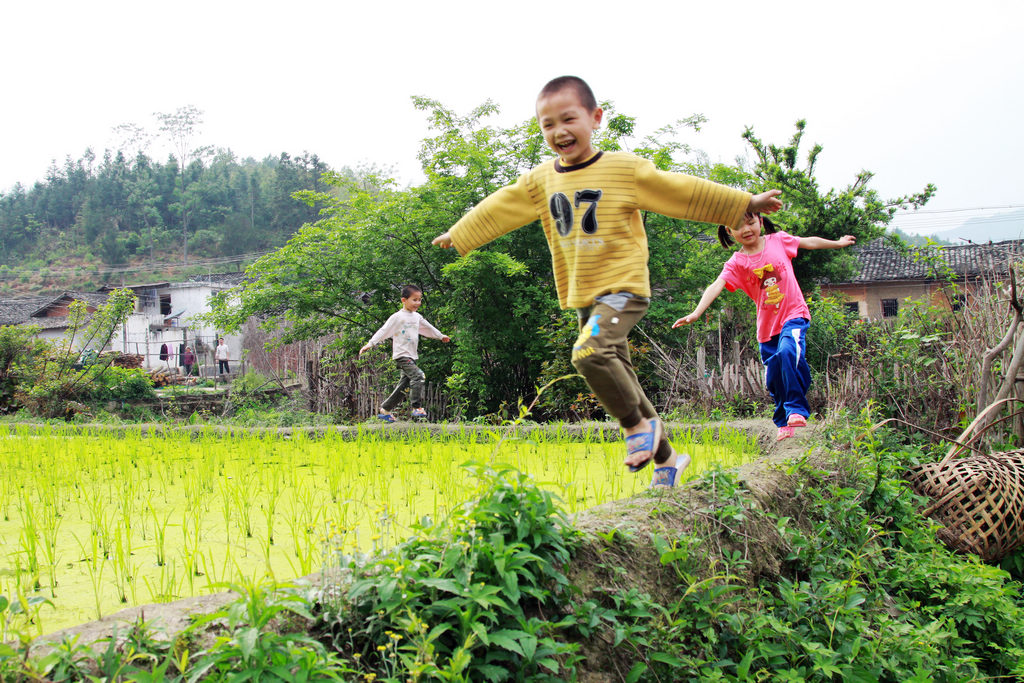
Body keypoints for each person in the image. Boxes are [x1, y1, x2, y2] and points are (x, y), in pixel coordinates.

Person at [431, 75, 782, 487]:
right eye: (547, 124)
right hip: (585, 294)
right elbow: (503, 203)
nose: (559, 131)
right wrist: (461, 232)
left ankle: (635, 428)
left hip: (623, 288)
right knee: (623, 379)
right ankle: (669, 460)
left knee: (588, 353)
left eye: (569, 118)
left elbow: (677, 190)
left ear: (595, 118)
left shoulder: (623, 169)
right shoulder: (542, 180)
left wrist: (742, 203)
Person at [673, 212, 855, 440]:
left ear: (760, 221)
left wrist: (837, 243)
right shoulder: (737, 262)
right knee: (774, 377)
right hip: (767, 329)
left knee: (790, 352)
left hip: (794, 314)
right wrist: (696, 313)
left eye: (750, 222)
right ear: (729, 231)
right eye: (738, 226)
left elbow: (808, 242)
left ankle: (796, 409)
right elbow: (717, 285)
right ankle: (783, 422)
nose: (746, 229)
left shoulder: (778, 240)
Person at [359, 284, 451, 422]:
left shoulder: (417, 317)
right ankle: (416, 408)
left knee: (403, 385)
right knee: (419, 376)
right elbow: (384, 330)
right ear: (404, 300)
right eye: (414, 300)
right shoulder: (397, 317)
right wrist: (370, 343)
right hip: (402, 355)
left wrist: (440, 335)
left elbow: (428, 327)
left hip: (412, 355)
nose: (418, 303)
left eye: (419, 300)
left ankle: (385, 410)